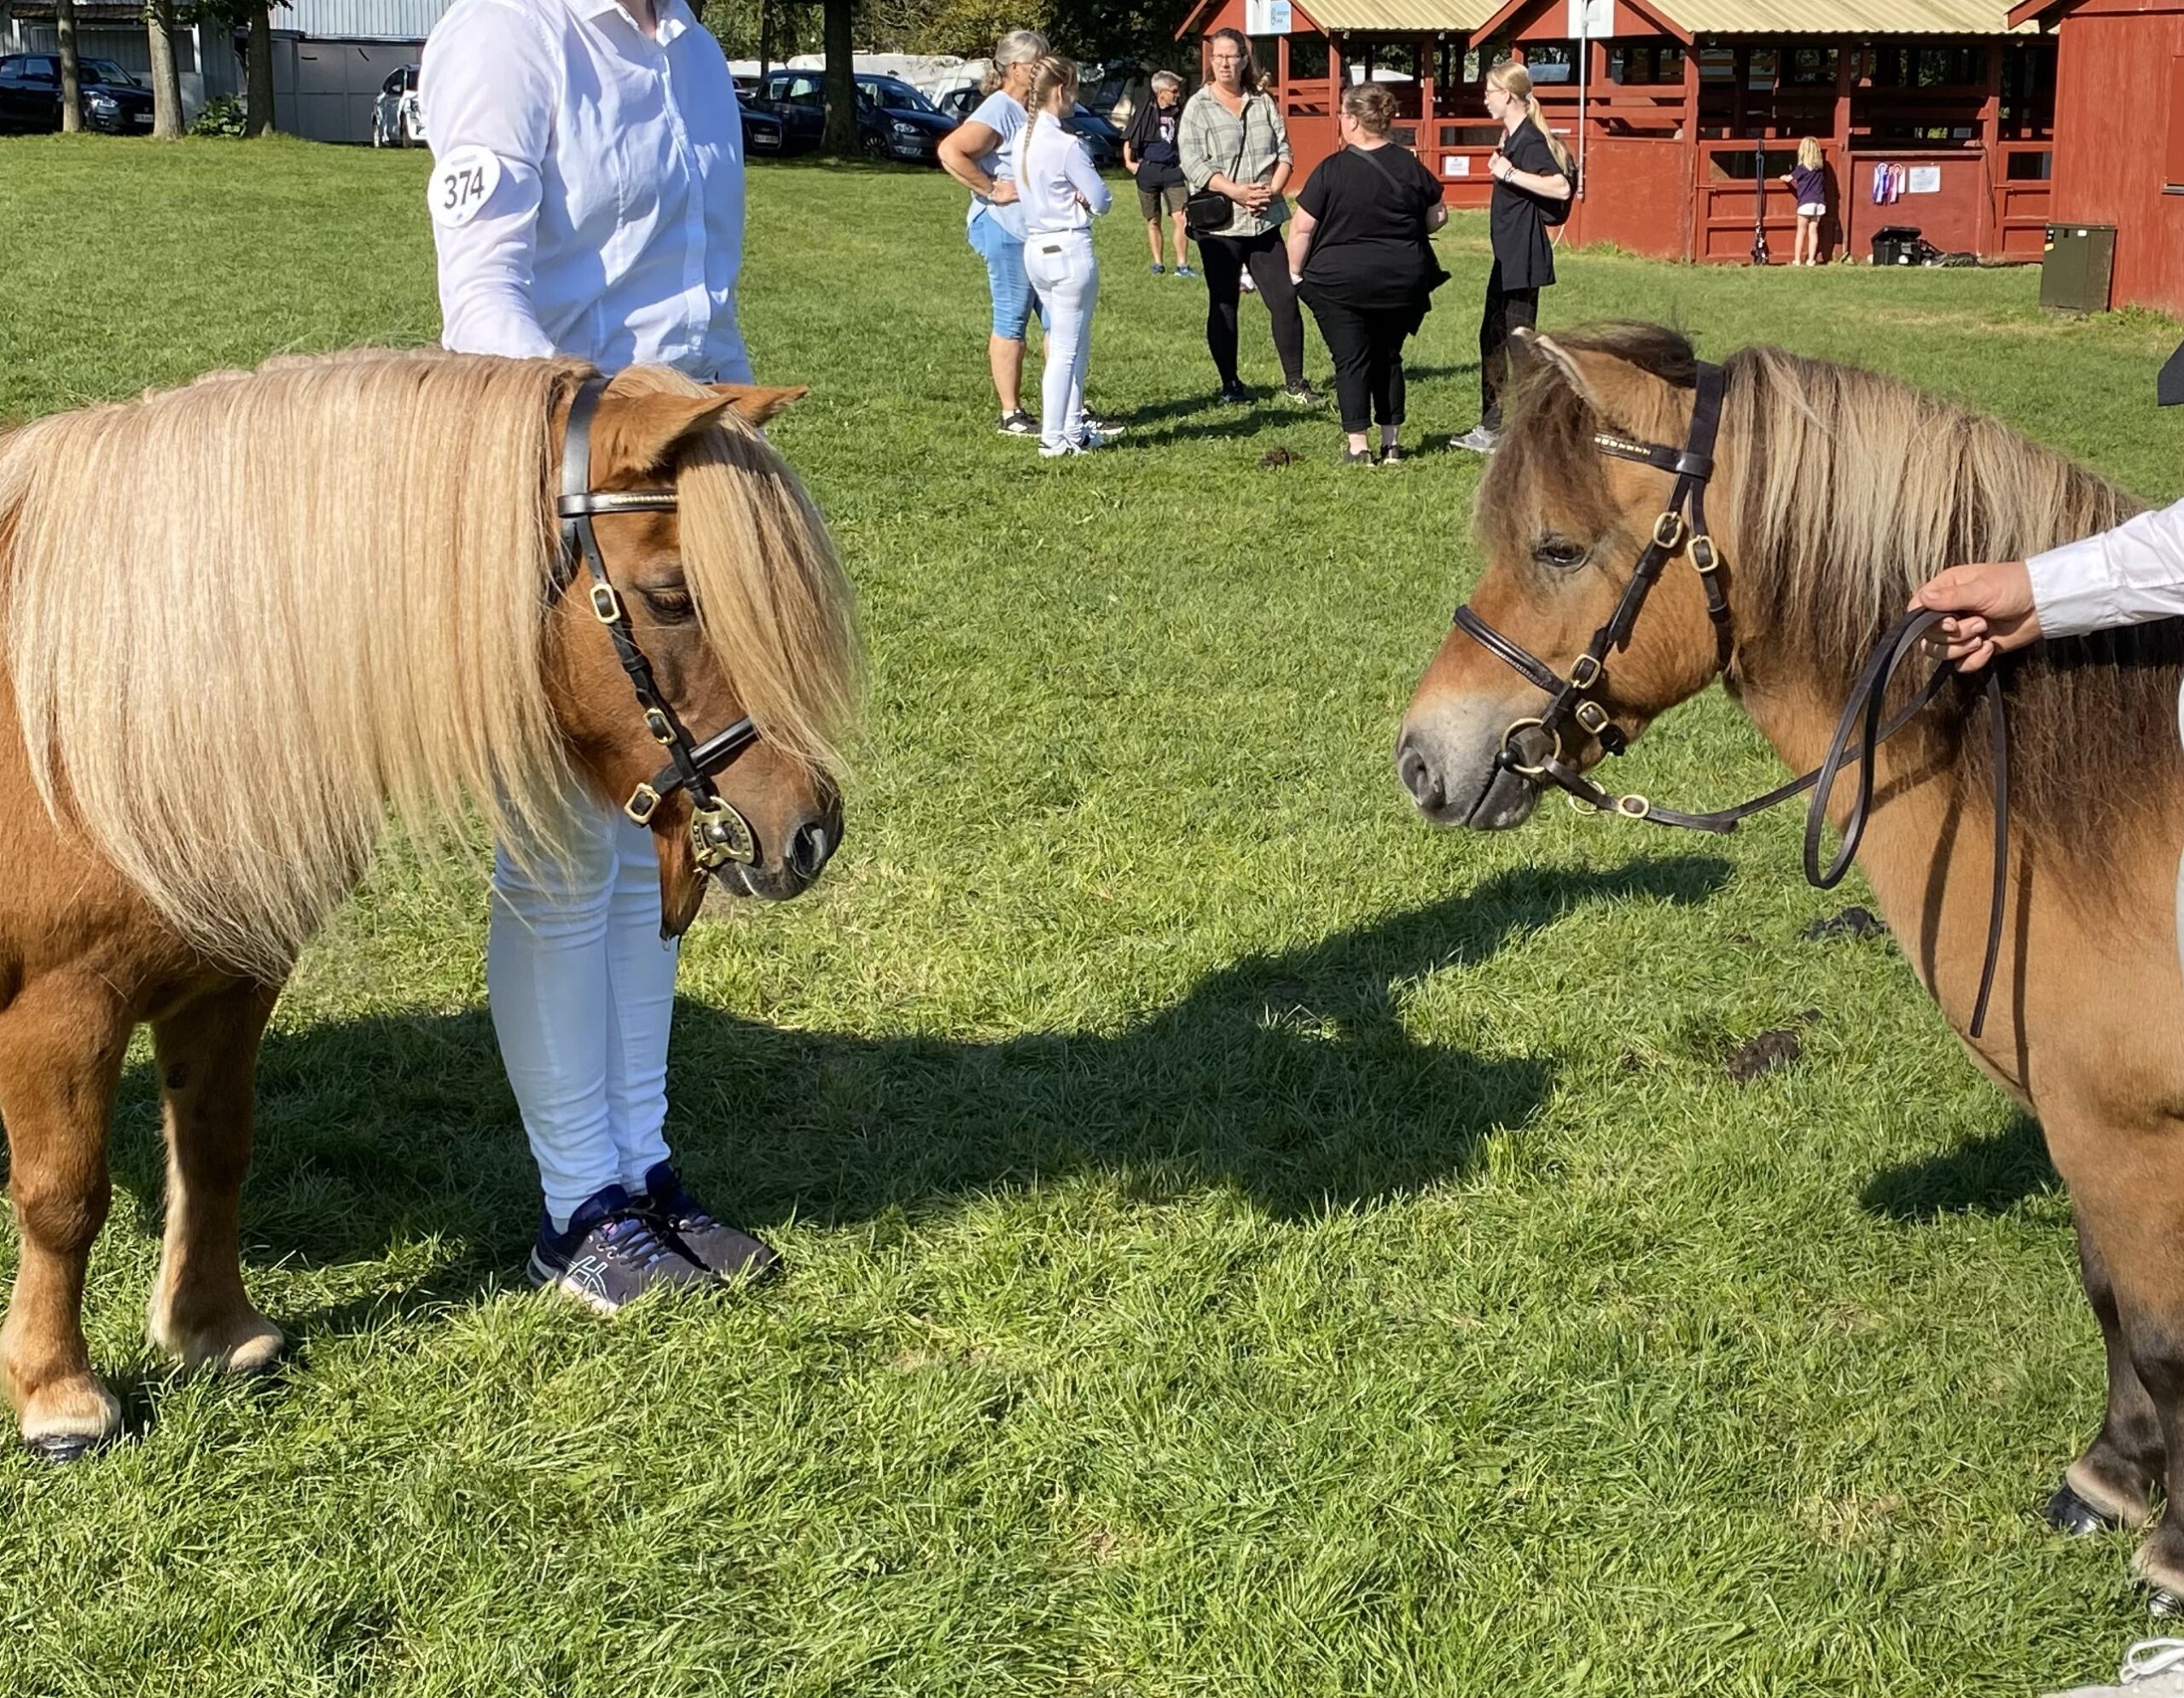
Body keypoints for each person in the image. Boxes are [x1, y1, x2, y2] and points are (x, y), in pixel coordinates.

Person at [421, 0, 781, 1307]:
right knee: (566, 855)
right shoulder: (509, 33)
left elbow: (702, 295)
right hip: (554, 482)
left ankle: (643, 1167)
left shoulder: (687, 46)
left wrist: (738, 464)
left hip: (675, 491)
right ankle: (580, 1210)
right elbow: (485, 290)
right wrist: (609, 435)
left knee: (658, 835)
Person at [1286, 81, 1448, 465]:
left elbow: (1301, 228)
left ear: (1356, 121)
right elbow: (1438, 215)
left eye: (1343, 114)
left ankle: (1358, 446)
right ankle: (1392, 444)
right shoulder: (1410, 165)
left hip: (1340, 282)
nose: (1340, 121)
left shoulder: (1332, 169)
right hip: (1400, 279)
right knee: (1388, 356)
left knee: (1351, 359)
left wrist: (1294, 274)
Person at [1179, 29, 1323, 409]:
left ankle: (1295, 382)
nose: (1225, 63)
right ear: (1211, 62)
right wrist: (1236, 191)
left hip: (1263, 219)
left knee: (1284, 300)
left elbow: (1285, 151)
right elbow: (1192, 163)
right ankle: (1230, 384)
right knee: (1224, 302)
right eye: (1219, 57)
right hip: (1220, 222)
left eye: (1233, 56)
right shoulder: (1198, 106)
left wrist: (1271, 191)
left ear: (1246, 59)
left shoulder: (1262, 102)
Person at [1451, 60, 1572, 455]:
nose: (1485, 99)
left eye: (1489, 92)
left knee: (1519, 346)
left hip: (1522, 257)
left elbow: (1560, 188)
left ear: (1507, 94)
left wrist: (1508, 173)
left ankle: (1529, 429)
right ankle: (1495, 427)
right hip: (1509, 257)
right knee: (1493, 338)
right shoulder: (1516, 138)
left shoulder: (1530, 141)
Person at [1017, 55, 1112, 456]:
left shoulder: (1024, 137)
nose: (1077, 97)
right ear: (1060, 91)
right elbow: (1102, 199)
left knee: (1068, 343)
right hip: (1068, 248)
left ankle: (1072, 431)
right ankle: (1053, 438)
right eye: (1074, 89)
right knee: (1066, 351)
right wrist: (1083, 200)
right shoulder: (1065, 144)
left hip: (1036, 248)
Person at [1123, 71, 1191, 277]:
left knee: (1182, 218)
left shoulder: (1181, 113)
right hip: (1149, 171)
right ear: (1161, 92)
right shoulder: (1144, 112)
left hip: (1172, 171)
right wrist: (1130, 164)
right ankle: (1158, 263)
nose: (1177, 95)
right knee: (1153, 219)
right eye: (1174, 91)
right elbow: (1129, 138)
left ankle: (1182, 265)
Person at [1785, 137, 1827, 267]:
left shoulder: (1801, 168)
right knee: (1813, 232)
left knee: (1801, 232)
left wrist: (1782, 177)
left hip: (1805, 203)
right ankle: (1811, 260)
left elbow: (1789, 179)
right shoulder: (1819, 169)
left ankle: (1797, 260)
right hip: (1819, 203)